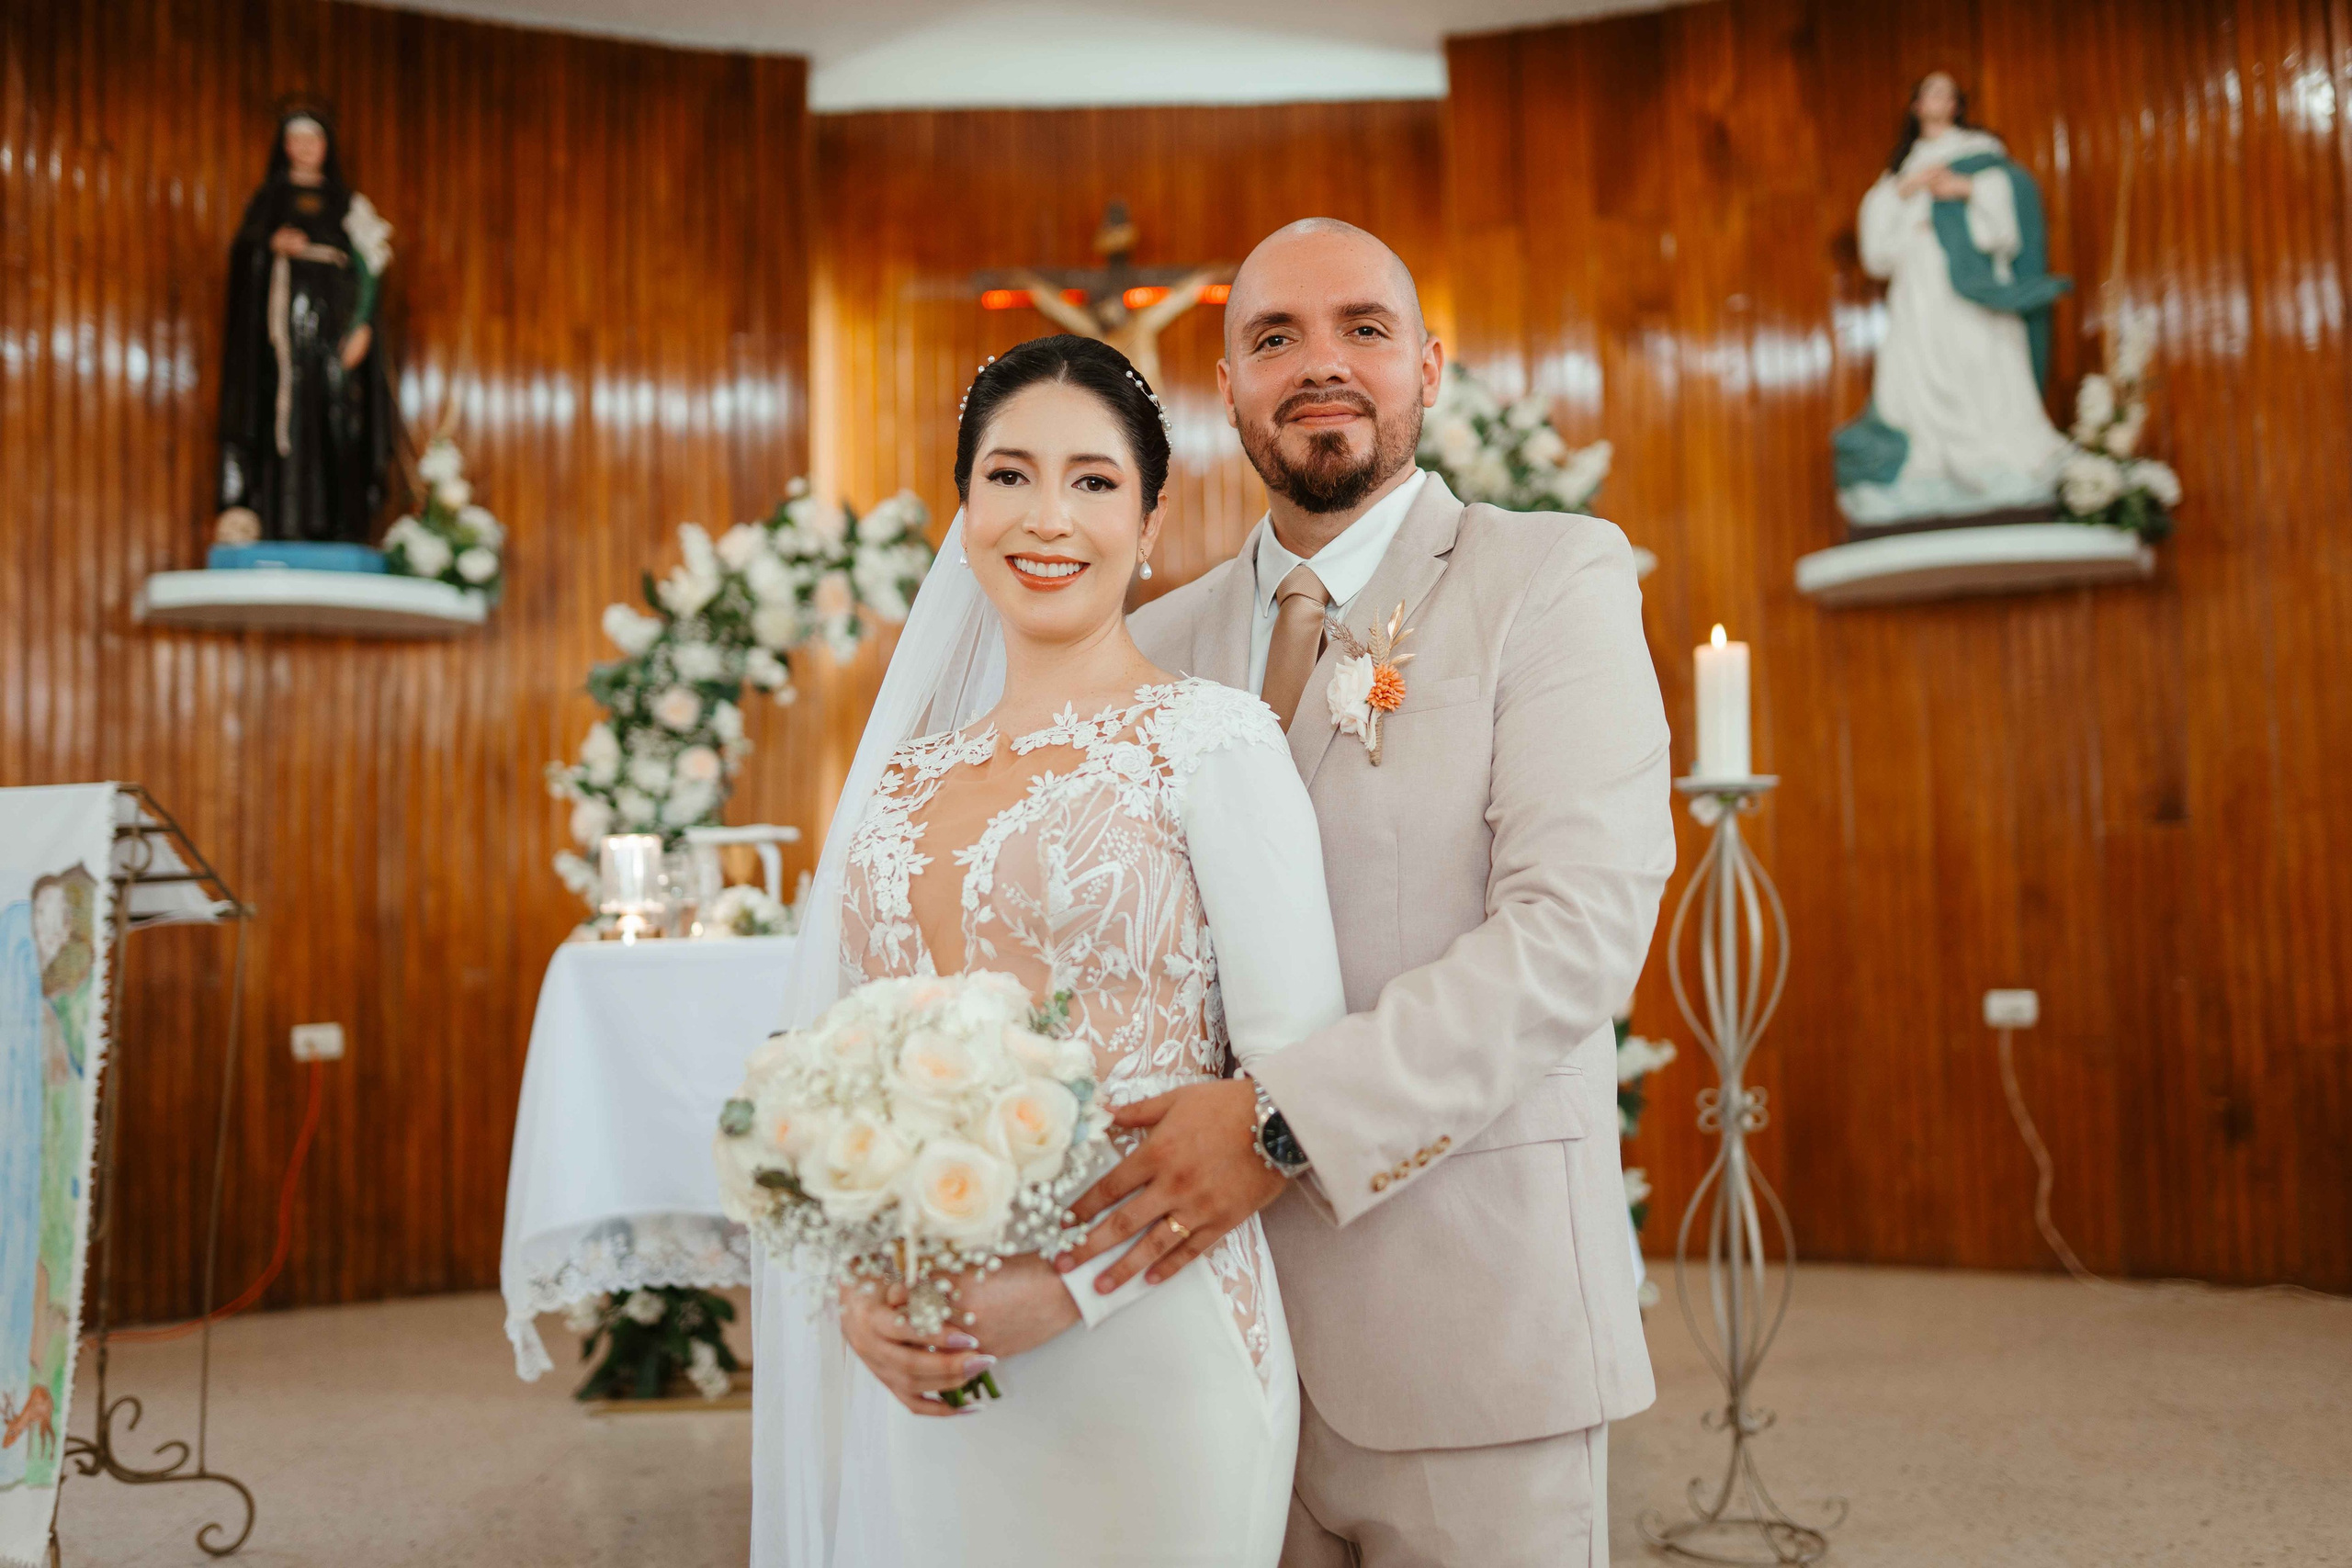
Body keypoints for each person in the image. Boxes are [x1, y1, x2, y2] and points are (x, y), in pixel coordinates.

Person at [1052, 218, 1675, 1568]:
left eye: (1363, 329)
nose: (1319, 364)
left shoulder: (1550, 579)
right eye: (1274, 337)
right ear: (1226, 385)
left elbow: (1574, 938)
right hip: (1205, 1340)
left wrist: (1277, 1125)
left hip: (1470, 1324)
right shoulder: (1151, 644)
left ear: (1428, 366)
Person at [751, 333, 1347, 1567]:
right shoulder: (896, 785)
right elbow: (838, 1079)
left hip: (1151, 1351)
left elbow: (1299, 1077)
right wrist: (864, 1292)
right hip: (929, 1352)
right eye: (1010, 475)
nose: (1048, 516)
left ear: (1150, 517)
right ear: (965, 509)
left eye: (1092, 480)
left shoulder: (1214, 741)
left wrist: (1061, 1291)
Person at [1835, 72, 2072, 525]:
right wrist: (1904, 190)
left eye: (1946, 92)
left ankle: (1998, 460)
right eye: (1928, 93)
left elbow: (2011, 201)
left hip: (1968, 278)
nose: (1937, 100)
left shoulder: (1978, 155)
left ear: (1958, 104)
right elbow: (1877, 246)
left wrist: (1964, 189)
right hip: (1920, 283)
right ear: (1916, 105)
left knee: (1981, 357)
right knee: (1914, 371)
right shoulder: (1903, 168)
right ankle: (1927, 464)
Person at [214, 109, 397, 546]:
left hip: (334, 336)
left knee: (340, 418)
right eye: (296, 140)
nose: (305, 149)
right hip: (280, 342)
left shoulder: (347, 204)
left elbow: (368, 270)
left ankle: (342, 527)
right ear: (285, 147)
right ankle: (283, 524)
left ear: (326, 147)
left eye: (313, 139)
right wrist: (269, 246)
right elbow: (244, 256)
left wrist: (362, 328)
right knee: (284, 420)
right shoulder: (269, 200)